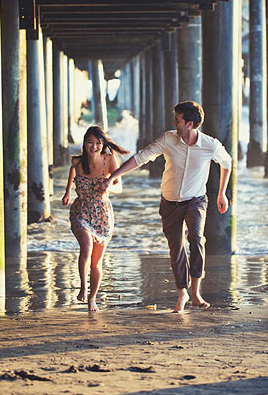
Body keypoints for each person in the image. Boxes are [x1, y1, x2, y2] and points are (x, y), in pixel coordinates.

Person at [100, 101, 232, 313]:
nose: (174, 123)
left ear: (189, 124)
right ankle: (183, 291)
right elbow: (139, 158)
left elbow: (227, 162)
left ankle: (196, 291)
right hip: (169, 202)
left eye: (178, 120)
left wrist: (222, 193)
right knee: (175, 247)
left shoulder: (210, 145)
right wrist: (112, 177)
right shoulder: (168, 139)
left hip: (196, 200)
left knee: (196, 239)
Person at [62, 125, 128, 312]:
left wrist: (108, 187)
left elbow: (118, 187)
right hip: (81, 210)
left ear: (103, 145)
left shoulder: (109, 160)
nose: (94, 146)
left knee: (96, 262)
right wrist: (67, 193)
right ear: (84, 143)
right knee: (86, 246)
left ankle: (92, 298)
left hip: (102, 214)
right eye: (90, 142)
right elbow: (72, 174)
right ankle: (83, 287)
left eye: (98, 143)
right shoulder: (77, 162)